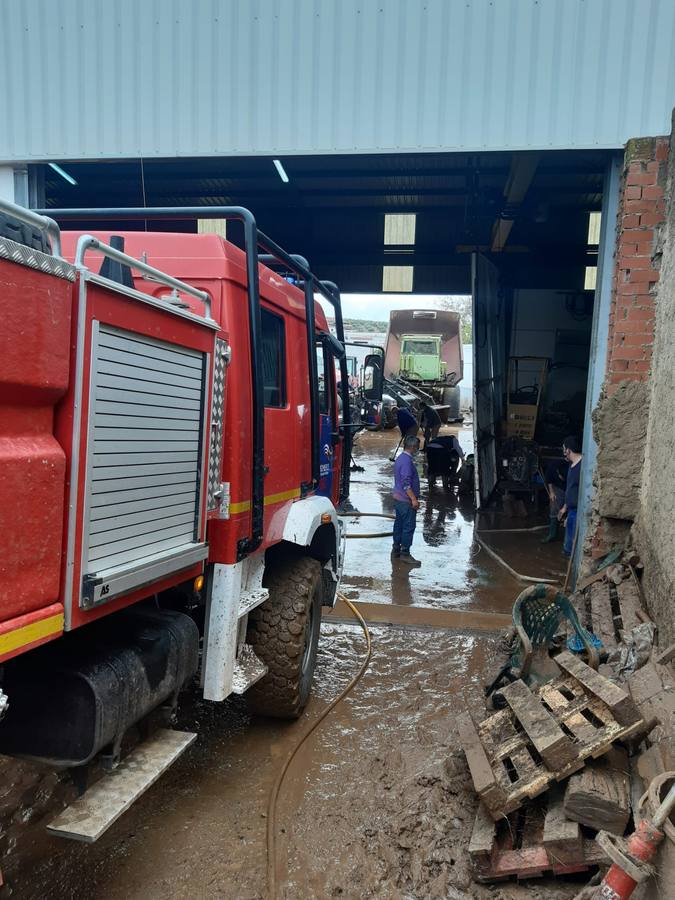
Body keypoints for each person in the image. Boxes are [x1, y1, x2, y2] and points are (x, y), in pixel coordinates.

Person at [392, 434, 422, 565]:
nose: (418, 451)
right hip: (405, 500)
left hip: (399, 499)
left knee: (399, 524)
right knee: (408, 527)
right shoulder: (406, 462)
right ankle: (405, 553)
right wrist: (414, 499)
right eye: (417, 448)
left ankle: (396, 549)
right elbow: (406, 483)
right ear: (413, 447)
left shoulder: (400, 458)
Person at [558, 435, 582, 558]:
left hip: (578, 511)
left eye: (564, 449)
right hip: (571, 510)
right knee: (567, 546)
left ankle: (572, 572)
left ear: (568, 450)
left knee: (573, 545)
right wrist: (565, 508)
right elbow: (570, 489)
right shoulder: (571, 465)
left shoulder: (582, 466)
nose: (564, 452)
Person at [541, 457, 568, 543]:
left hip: (568, 487)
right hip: (557, 486)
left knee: (568, 509)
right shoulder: (553, 467)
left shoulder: (570, 469)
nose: (563, 478)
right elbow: (549, 480)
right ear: (558, 472)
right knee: (554, 508)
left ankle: (567, 536)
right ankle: (552, 534)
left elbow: (571, 493)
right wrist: (552, 492)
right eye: (561, 477)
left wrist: (564, 507)